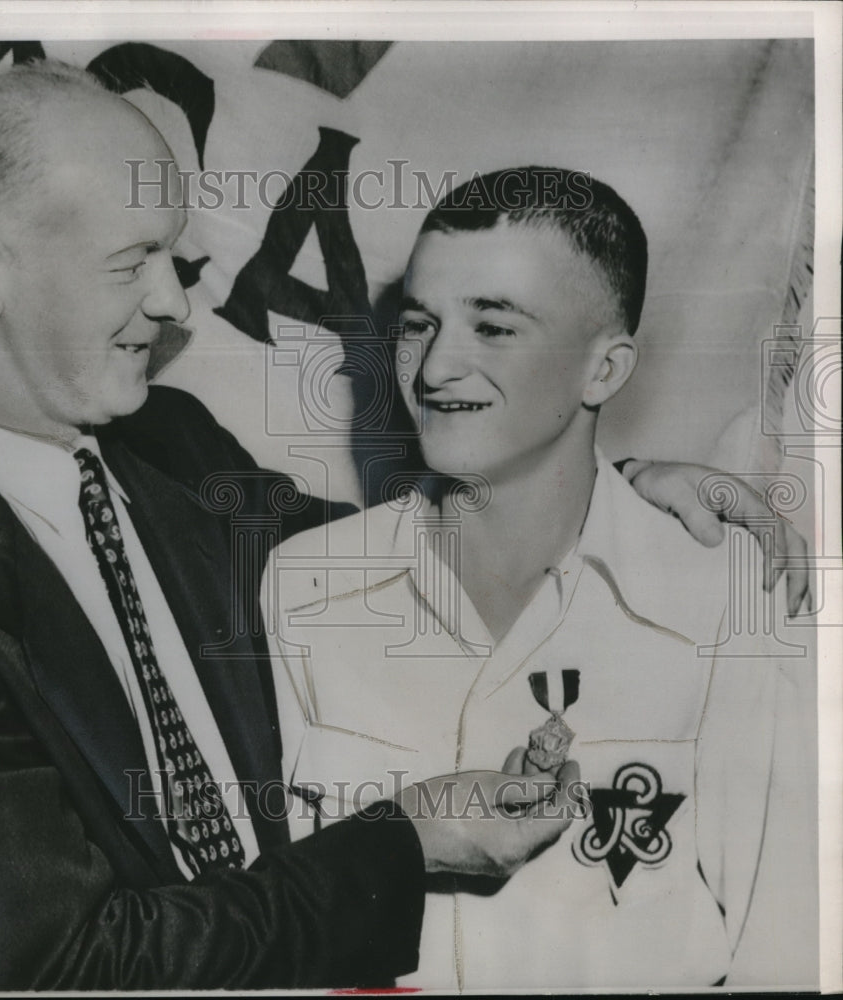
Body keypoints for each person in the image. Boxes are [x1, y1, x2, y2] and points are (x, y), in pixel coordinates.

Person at [0, 62, 807, 991]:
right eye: (132, 262)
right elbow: (75, 969)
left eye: (174, 260)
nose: (174, 304)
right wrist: (406, 838)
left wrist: (619, 487)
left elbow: (390, 544)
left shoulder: (164, 439)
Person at [263, 168, 818, 990]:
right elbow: (271, 916)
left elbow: (789, 949)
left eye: (493, 326)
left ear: (602, 370)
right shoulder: (303, 586)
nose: (434, 368)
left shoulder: (731, 598)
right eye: (419, 324)